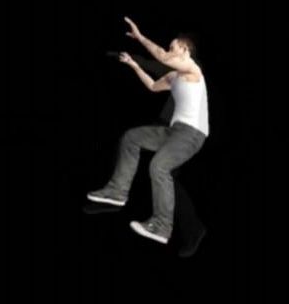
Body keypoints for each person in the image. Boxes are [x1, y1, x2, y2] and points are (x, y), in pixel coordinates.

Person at [86, 17, 210, 246]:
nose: (168, 53)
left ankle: (162, 227)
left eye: (172, 48)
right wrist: (134, 65)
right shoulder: (174, 77)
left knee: (159, 166)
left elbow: (162, 56)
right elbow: (153, 86)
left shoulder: (193, 69)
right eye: (169, 49)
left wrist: (140, 37)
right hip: (173, 131)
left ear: (185, 51)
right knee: (131, 138)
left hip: (192, 134)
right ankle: (117, 192)